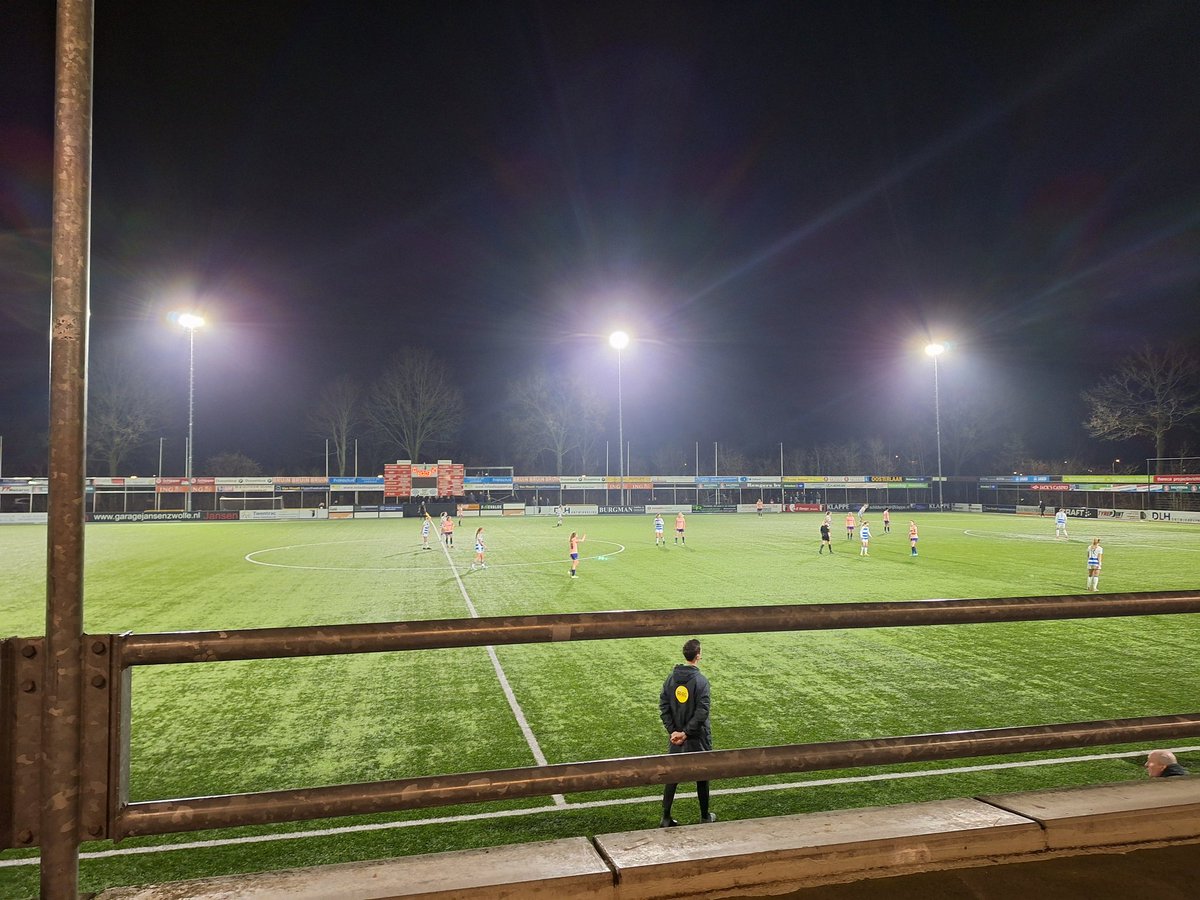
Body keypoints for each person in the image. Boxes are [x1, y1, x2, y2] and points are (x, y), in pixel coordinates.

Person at [659, 638, 715, 827]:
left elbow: (664, 705)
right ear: (698, 655)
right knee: (702, 775)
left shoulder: (670, 678)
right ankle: (704, 815)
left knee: (672, 776)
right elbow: (702, 711)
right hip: (697, 738)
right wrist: (686, 733)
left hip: (676, 738)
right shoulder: (701, 681)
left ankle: (665, 817)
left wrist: (674, 731)